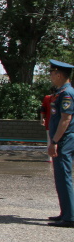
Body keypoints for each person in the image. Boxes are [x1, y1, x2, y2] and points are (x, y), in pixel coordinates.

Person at [47, 59, 74, 227]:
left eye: (51, 73)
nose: (50, 76)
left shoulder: (67, 93)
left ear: (58, 74)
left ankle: (70, 217)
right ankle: (65, 212)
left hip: (63, 140)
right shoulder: (62, 92)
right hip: (62, 139)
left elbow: (66, 119)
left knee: (64, 177)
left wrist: (54, 141)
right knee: (60, 177)